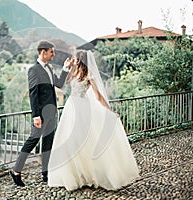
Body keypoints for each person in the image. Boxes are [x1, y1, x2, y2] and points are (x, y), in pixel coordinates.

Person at [47, 50, 140, 191]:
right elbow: (63, 83)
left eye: (75, 58)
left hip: (81, 109)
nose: (73, 59)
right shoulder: (74, 71)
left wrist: (109, 111)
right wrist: (67, 66)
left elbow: (98, 96)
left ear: (80, 59)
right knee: (69, 141)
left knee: (81, 141)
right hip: (71, 108)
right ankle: (75, 176)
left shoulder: (89, 74)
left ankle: (86, 175)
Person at [9, 40, 73, 187]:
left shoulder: (49, 68)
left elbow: (59, 84)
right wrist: (36, 115)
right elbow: (33, 94)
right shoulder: (34, 70)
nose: (53, 54)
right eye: (52, 52)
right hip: (41, 115)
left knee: (48, 143)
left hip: (52, 113)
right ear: (43, 52)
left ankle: (46, 173)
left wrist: (65, 68)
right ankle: (16, 171)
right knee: (32, 141)